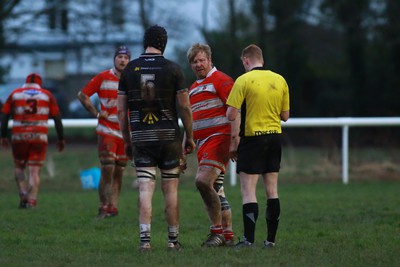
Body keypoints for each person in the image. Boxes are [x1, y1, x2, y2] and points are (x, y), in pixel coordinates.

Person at [117, 25, 195, 251]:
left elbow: (122, 112)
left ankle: (145, 241)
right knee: (170, 190)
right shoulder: (173, 69)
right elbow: (185, 107)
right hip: (169, 138)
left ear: (145, 42)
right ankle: (173, 241)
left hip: (141, 137)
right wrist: (189, 137)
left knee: (145, 189)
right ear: (164, 43)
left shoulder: (129, 70)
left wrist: (127, 140)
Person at [226, 44, 290, 248]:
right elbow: (285, 116)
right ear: (261, 59)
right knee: (272, 190)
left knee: (248, 191)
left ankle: (248, 240)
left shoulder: (243, 80)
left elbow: (230, 115)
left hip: (252, 139)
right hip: (274, 137)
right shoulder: (280, 79)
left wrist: (234, 140)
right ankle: (270, 240)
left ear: (246, 60)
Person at [185, 43, 239, 247]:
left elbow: (236, 111)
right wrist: (187, 142)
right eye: (194, 61)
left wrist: (235, 140)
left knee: (202, 181)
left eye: (202, 60)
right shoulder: (192, 88)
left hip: (220, 139)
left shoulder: (222, 80)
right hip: (202, 143)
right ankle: (228, 235)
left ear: (209, 60)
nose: (198, 64)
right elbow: (190, 120)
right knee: (216, 188)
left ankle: (216, 233)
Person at [77, 46, 130, 219]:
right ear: (114, 59)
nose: (122, 60)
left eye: (125, 57)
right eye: (119, 57)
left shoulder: (132, 80)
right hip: (106, 130)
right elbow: (82, 95)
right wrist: (97, 113)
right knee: (108, 167)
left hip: (125, 133)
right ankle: (103, 206)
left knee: (119, 171)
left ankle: (113, 207)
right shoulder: (103, 77)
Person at [0, 73, 65, 208]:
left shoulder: (15, 94)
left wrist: (3, 136)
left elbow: (5, 114)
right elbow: (57, 117)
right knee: (34, 170)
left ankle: (23, 192)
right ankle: (31, 201)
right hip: (39, 136)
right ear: (39, 84)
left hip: (19, 136)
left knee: (19, 167)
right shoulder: (47, 95)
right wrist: (61, 138)